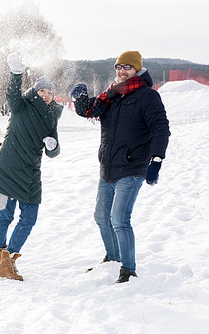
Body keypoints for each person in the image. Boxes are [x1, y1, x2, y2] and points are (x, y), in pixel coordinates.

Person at [70, 50, 170, 283]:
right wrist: (80, 100)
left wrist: (156, 160)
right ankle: (113, 259)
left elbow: (160, 128)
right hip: (108, 167)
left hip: (132, 168)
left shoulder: (148, 96)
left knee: (119, 219)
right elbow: (91, 111)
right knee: (101, 217)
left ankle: (128, 269)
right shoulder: (111, 94)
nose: (122, 71)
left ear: (137, 69)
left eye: (127, 67)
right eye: (118, 67)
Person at [0, 53, 62, 281]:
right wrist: (16, 74)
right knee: (5, 216)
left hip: (32, 172)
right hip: (10, 168)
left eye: (49, 92)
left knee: (29, 218)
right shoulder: (21, 105)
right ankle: (1, 258)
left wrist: (53, 146)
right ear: (35, 92)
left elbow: (54, 150)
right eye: (42, 91)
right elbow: (12, 94)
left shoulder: (52, 117)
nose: (46, 95)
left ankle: (6, 258)